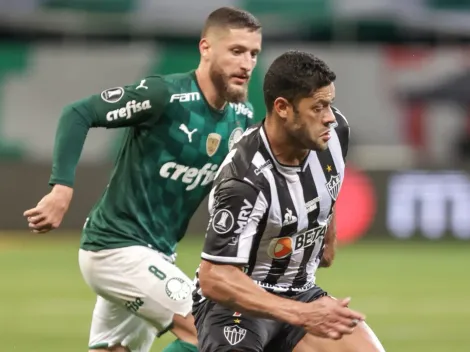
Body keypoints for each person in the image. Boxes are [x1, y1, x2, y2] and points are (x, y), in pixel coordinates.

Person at [23, 7, 262, 352]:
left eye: (254, 53)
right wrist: (61, 189)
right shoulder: (165, 96)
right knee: (213, 331)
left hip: (158, 256)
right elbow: (78, 113)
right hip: (116, 248)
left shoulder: (241, 116)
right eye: (236, 51)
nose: (247, 63)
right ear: (206, 48)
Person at [193, 50, 386, 352]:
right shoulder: (245, 180)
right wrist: (304, 314)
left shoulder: (335, 135)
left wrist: (328, 233)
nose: (329, 117)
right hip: (237, 306)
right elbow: (215, 277)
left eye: (330, 104)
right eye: (318, 107)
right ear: (283, 107)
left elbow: (329, 186)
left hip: (300, 292)